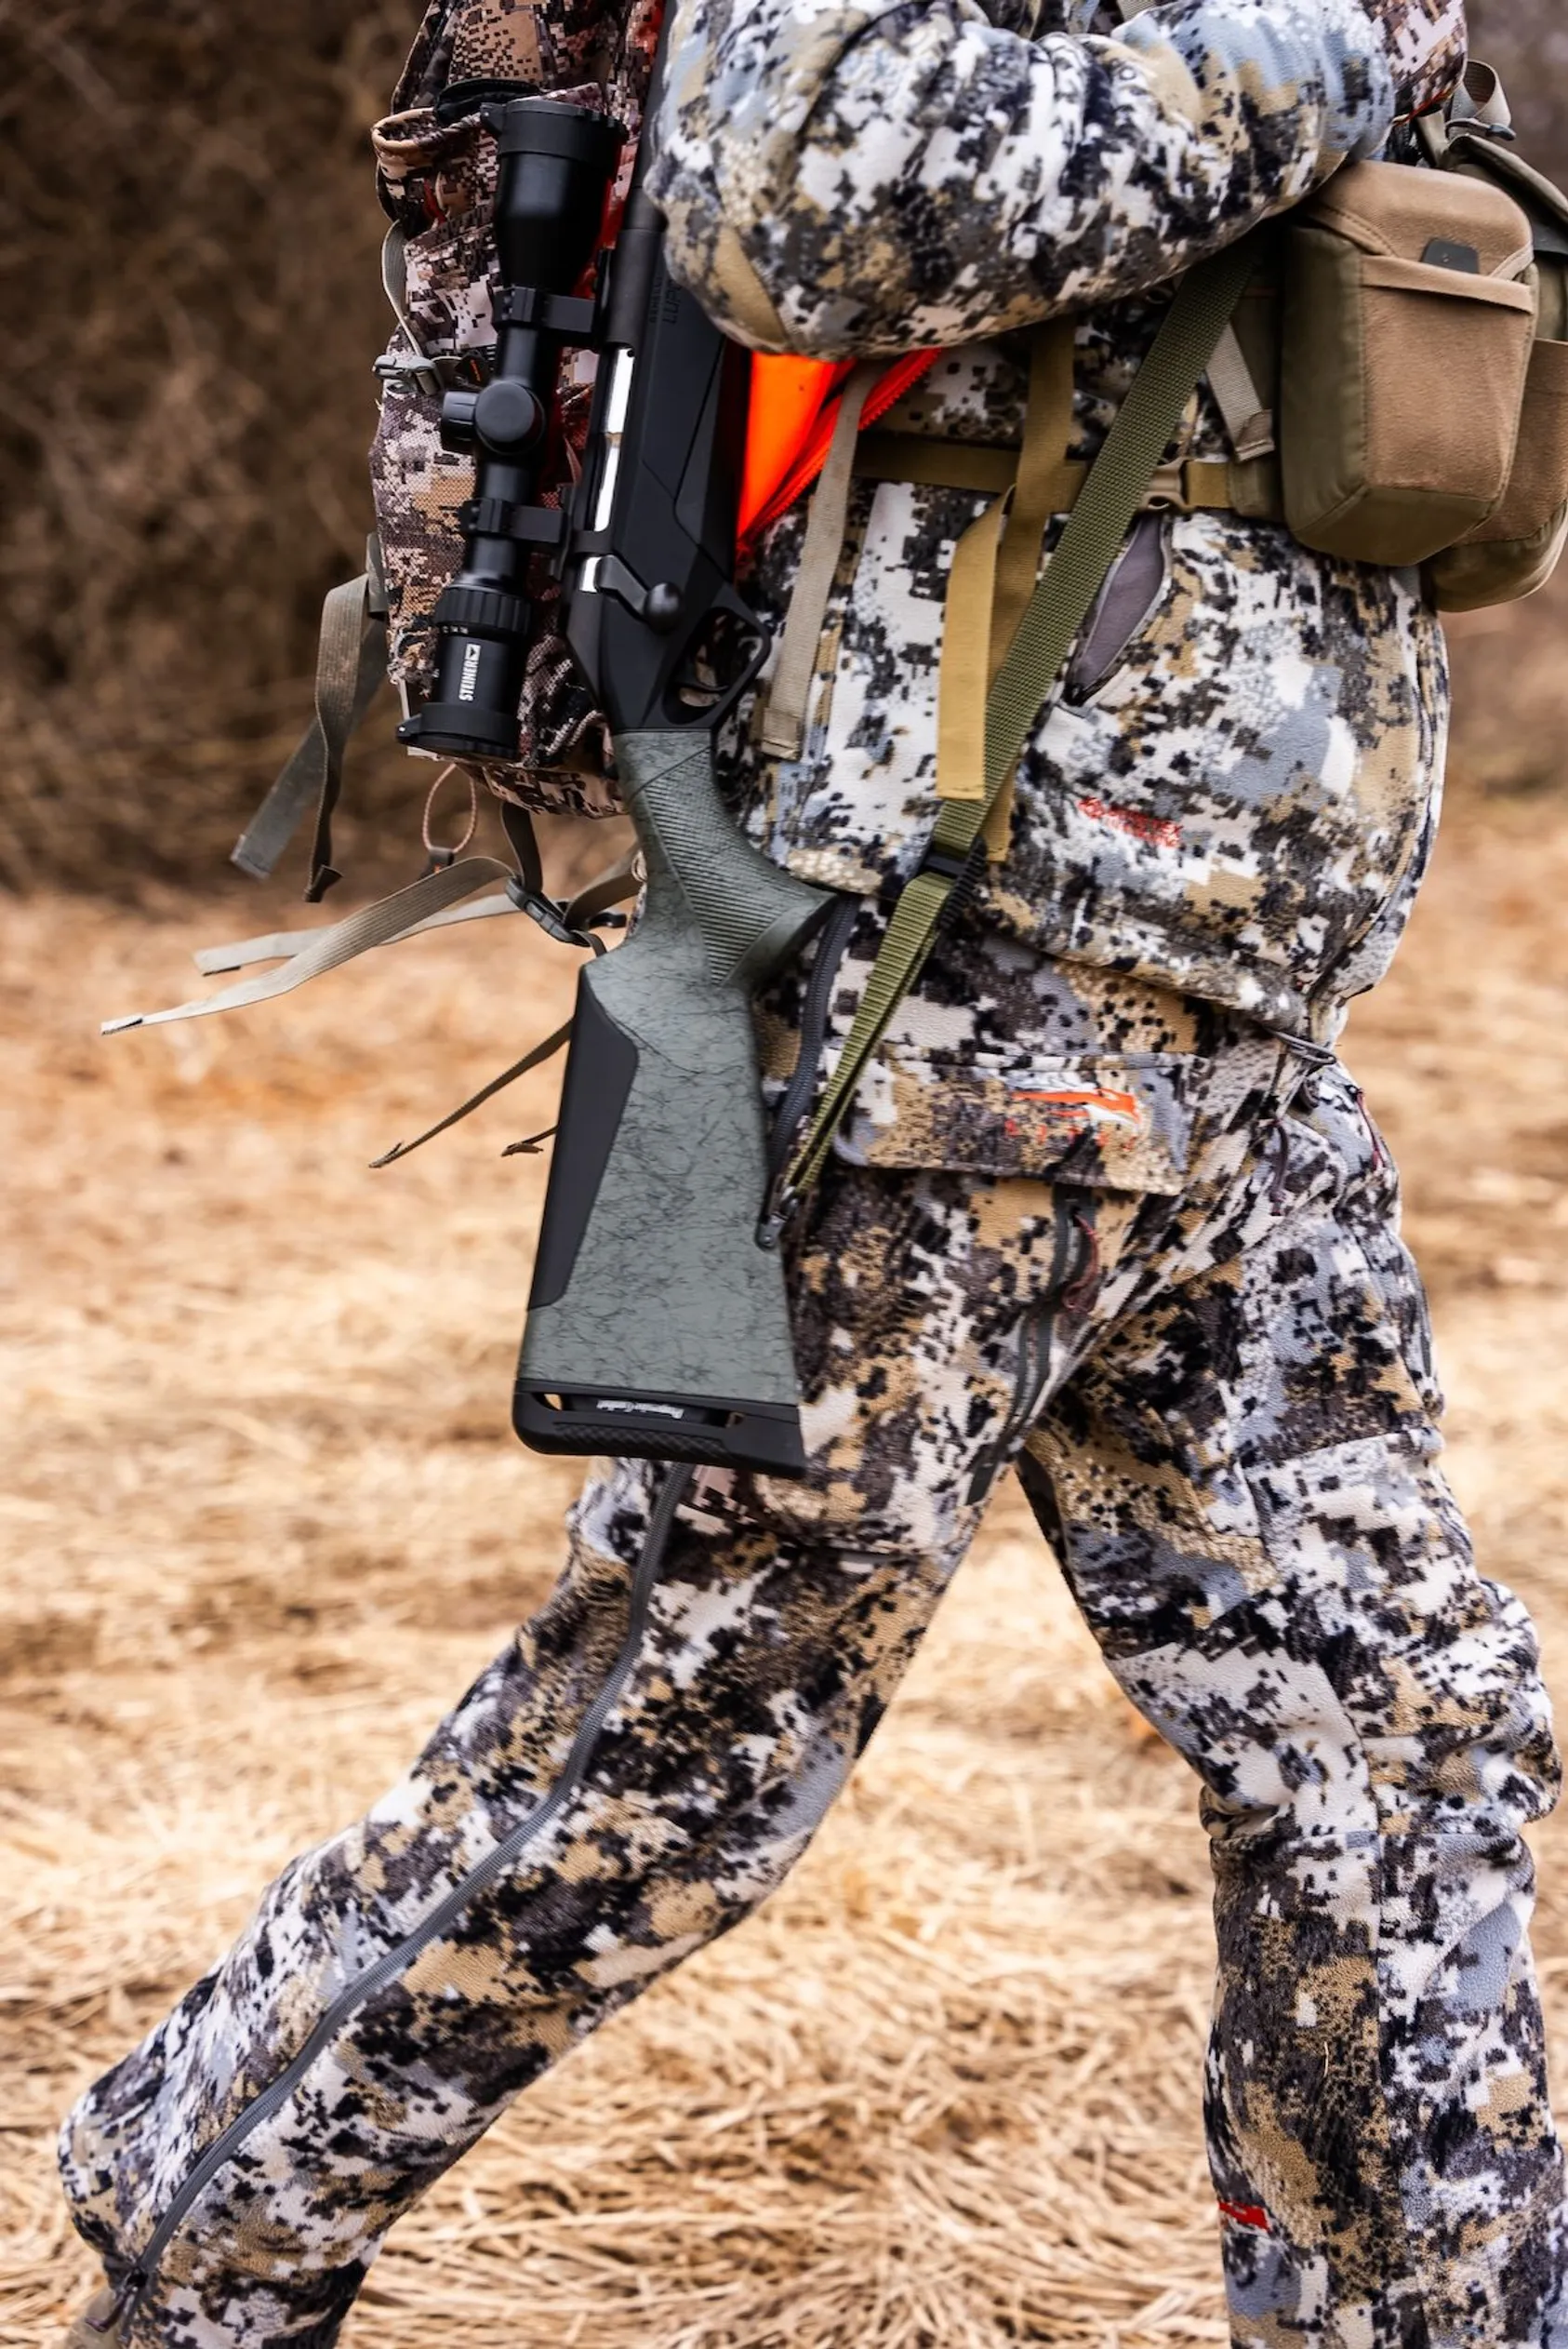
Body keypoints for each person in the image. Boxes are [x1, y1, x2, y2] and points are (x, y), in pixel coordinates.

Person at [61, 0, 1568, 2342]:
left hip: (1227, 1013)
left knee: (1404, 1743)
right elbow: (804, 183)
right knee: (663, 1760)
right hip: (967, 991)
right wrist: (1324, 64)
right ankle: (195, 2247)